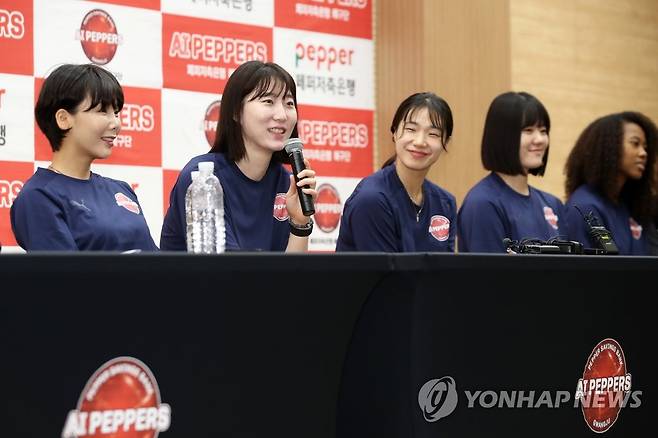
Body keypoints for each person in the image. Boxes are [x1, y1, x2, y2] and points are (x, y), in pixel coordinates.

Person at [160, 61, 317, 251]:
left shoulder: (285, 183)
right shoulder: (203, 178)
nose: (282, 115)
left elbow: (292, 277)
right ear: (236, 111)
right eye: (268, 101)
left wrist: (300, 224)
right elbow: (227, 273)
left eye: (289, 103)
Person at [10, 64, 157, 251]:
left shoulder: (121, 189)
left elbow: (155, 262)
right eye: (102, 111)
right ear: (63, 119)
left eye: (117, 112)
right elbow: (65, 277)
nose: (116, 123)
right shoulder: (39, 196)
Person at [336, 92, 456, 252]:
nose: (420, 141)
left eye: (433, 134)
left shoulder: (445, 203)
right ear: (394, 132)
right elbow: (383, 275)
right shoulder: (372, 199)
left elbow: (447, 271)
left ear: (446, 141)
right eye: (411, 129)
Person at [457, 91, 567, 253]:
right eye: (528, 130)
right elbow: (488, 275)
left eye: (543, 131)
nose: (540, 139)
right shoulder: (482, 203)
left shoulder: (552, 204)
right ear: (503, 137)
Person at [564, 112, 657, 255]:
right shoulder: (587, 207)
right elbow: (603, 268)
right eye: (635, 143)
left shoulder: (630, 205)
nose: (643, 153)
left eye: (645, 147)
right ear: (610, 147)